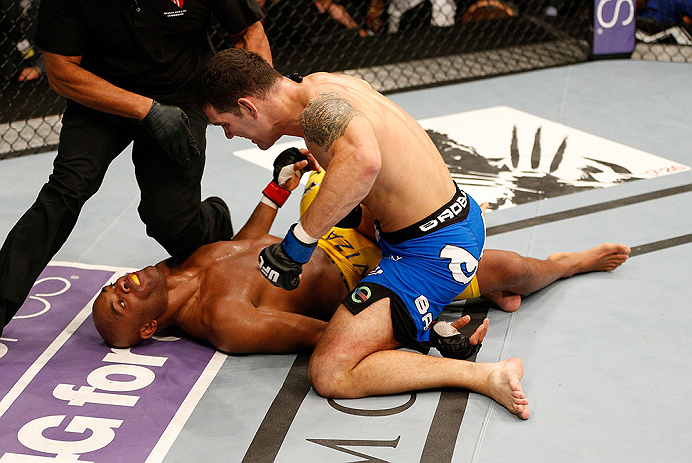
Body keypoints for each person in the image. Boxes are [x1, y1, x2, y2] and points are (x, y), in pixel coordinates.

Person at [92, 150, 630, 418]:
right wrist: (425, 328)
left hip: (337, 240)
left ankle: (499, 280)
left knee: (356, 182)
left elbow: (250, 246)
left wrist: (277, 192)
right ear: (148, 328)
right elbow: (318, 333)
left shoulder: (191, 264)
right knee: (505, 268)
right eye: (118, 304)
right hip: (364, 276)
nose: (119, 285)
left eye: (107, 289)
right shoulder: (226, 322)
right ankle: (565, 264)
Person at [0, 0, 271, 337]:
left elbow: (248, 29)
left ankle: (212, 223)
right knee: (66, 189)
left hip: (182, 97)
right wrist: (146, 109)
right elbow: (59, 71)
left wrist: (260, 96)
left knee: (169, 219)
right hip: (100, 100)